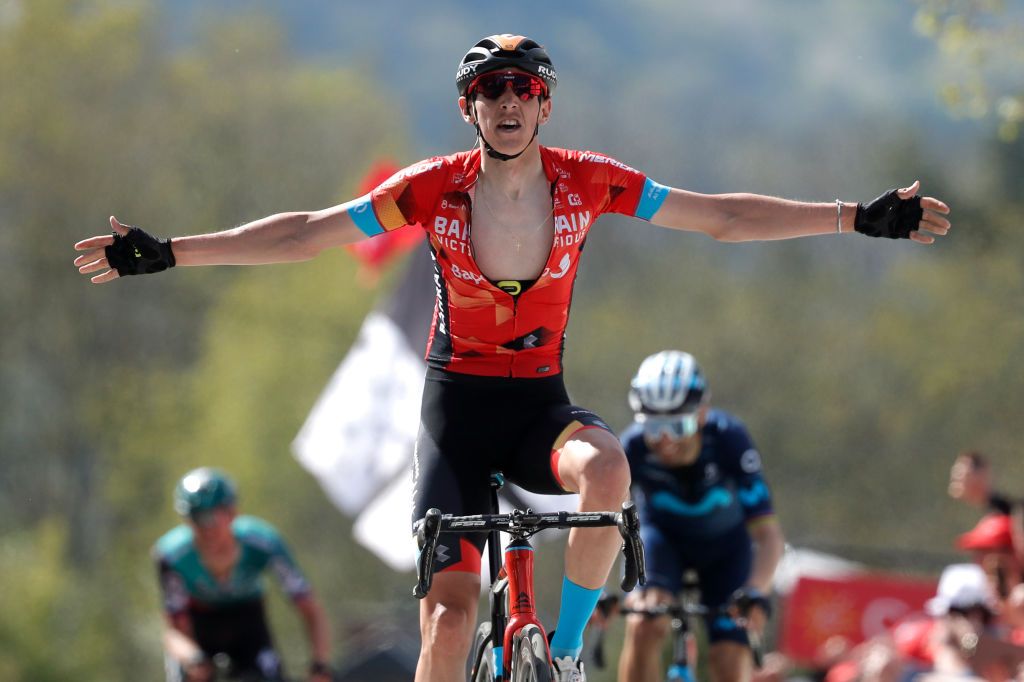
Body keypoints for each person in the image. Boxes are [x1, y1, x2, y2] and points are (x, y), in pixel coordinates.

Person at [74, 34, 951, 682]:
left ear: (544, 105)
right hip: (454, 419)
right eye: (488, 88)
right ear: (469, 107)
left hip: (539, 406)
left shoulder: (589, 181)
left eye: (523, 88)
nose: (506, 100)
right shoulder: (429, 187)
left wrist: (853, 216)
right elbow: (307, 233)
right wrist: (171, 252)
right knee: (448, 631)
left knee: (608, 473)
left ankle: (565, 654)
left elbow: (720, 216)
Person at [616, 350, 786, 682]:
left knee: (728, 657)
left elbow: (768, 536)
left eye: (678, 425)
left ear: (703, 413)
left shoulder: (729, 440)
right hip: (662, 543)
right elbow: (609, 526)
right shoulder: (632, 447)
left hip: (727, 551)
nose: (665, 440)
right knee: (643, 624)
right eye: (654, 425)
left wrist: (756, 591)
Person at [154, 467, 332, 682]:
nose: (204, 528)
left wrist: (320, 665)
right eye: (194, 519)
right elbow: (175, 632)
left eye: (210, 518)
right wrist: (194, 659)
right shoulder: (172, 556)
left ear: (231, 513)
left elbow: (309, 607)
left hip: (248, 621)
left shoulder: (263, 543)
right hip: (199, 627)